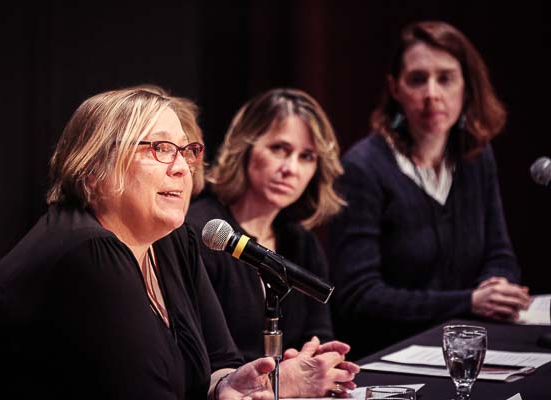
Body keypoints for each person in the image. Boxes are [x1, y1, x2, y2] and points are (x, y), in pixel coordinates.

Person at [0, 86, 276, 399]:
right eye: (160, 149)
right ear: (94, 166)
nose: (181, 168)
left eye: (187, 151)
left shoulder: (172, 242)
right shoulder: (86, 252)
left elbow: (220, 359)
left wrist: (224, 387)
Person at [328, 21, 531, 358]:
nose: (432, 94)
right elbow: (357, 296)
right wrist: (468, 302)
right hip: (390, 356)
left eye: (446, 78)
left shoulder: (475, 156)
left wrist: (497, 286)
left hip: (465, 347)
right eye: (418, 79)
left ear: (466, 87)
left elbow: (499, 253)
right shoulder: (363, 168)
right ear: (395, 88)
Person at [187, 88, 360, 398]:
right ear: (246, 147)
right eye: (280, 148)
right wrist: (279, 379)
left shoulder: (301, 241)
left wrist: (312, 362)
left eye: (306, 157)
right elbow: (201, 359)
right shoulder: (202, 233)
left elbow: (320, 337)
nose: (290, 169)